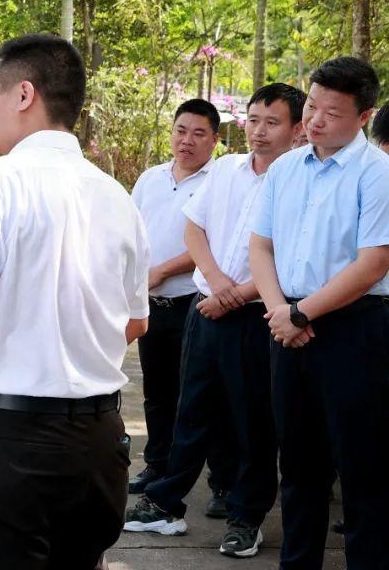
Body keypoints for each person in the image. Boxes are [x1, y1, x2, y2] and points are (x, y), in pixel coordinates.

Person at [0, 33, 151, 569]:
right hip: (98, 442)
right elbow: (136, 322)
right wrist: (71, 355)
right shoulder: (117, 195)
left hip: (14, 441)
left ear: (24, 94)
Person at [124, 83, 305, 558]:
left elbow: (289, 258)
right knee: (192, 409)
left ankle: (246, 518)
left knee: (252, 422)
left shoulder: (297, 181)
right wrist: (216, 280)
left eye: (273, 123)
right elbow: (193, 226)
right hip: (207, 311)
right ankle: (165, 504)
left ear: (297, 129)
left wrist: (234, 294)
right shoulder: (225, 170)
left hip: (254, 316)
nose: (260, 131)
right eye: (253, 120)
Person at [249, 56, 389, 570]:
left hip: (354, 328)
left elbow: (374, 262)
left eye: (332, 111)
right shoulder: (285, 169)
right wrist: (279, 311)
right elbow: (260, 247)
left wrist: (301, 314)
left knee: (363, 466)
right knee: (299, 464)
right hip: (286, 325)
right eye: (312, 106)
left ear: (364, 116)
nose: (316, 120)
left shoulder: (377, 174)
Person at [128, 99, 236, 514]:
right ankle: (157, 466)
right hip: (151, 304)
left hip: (194, 301)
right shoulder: (150, 178)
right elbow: (132, 231)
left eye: (198, 133)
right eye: (180, 130)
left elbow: (208, 240)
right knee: (157, 393)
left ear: (215, 139)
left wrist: (161, 270)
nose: (186, 141)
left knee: (207, 397)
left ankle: (222, 482)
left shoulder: (220, 181)